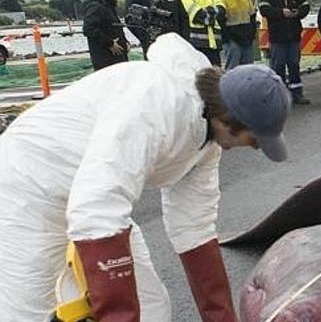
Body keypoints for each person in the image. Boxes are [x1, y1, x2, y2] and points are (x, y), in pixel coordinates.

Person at [0, 33, 291, 321]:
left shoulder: (208, 138)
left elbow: (194, 226)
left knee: (151, 306)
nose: (253, 148)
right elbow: (98, 210)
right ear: (229, 121)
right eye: (254, 141)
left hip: (92, 194)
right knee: (30, 312)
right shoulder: (152, 104)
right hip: (29, 186)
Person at [259, 0, 310, 104]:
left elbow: (305, 6)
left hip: (293, 37)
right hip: (278, 38)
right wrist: (281, 13)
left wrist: (297, 13)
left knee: (294, 65)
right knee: (278, 66)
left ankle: (297, 94)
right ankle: (279, 96)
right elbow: (264, 10)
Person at [179, 0, 227, 66]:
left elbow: (223, 10)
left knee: (216, 73)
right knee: (201, 73)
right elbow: (198, 15)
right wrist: (213, 12)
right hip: (197, 44)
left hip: (214, 43)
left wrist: (207, 13)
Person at [82, 0, 129, 71]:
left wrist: (125, 42)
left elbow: (114, 28)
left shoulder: (109, 6)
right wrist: (109, 43)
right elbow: (88, 28)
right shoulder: (96, 6)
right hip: (106, 60)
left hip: (117, 58)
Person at [217, 0, 257, 69]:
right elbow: (220, 22)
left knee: (248, 70)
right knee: (232, 69)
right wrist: (227, 40)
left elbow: (252, 16)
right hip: (232, 41)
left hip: (246, 39)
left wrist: (252, 35)